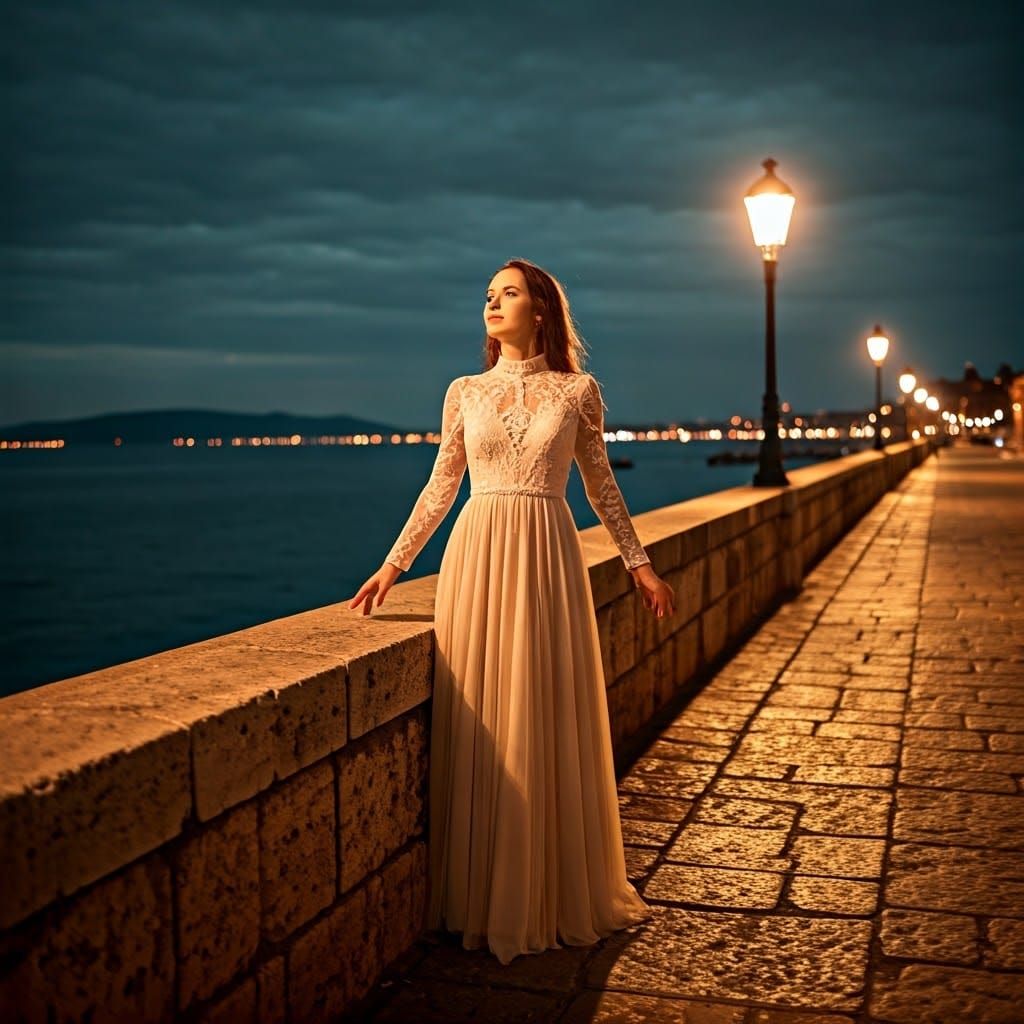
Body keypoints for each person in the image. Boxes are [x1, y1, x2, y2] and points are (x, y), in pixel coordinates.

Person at [348, 258, 676, 965]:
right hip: (478, 555)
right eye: (487, 296)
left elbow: (602, 487)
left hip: (546, 554)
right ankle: (479, 895)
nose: (492, 303)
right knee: (483, 717)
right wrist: (392, 566)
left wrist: (639, 564)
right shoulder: (463, 391)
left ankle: (544, 891)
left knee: (539, 709)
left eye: (508, 293)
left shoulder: (576, 391)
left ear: (541, 309)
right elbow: (442, 486)